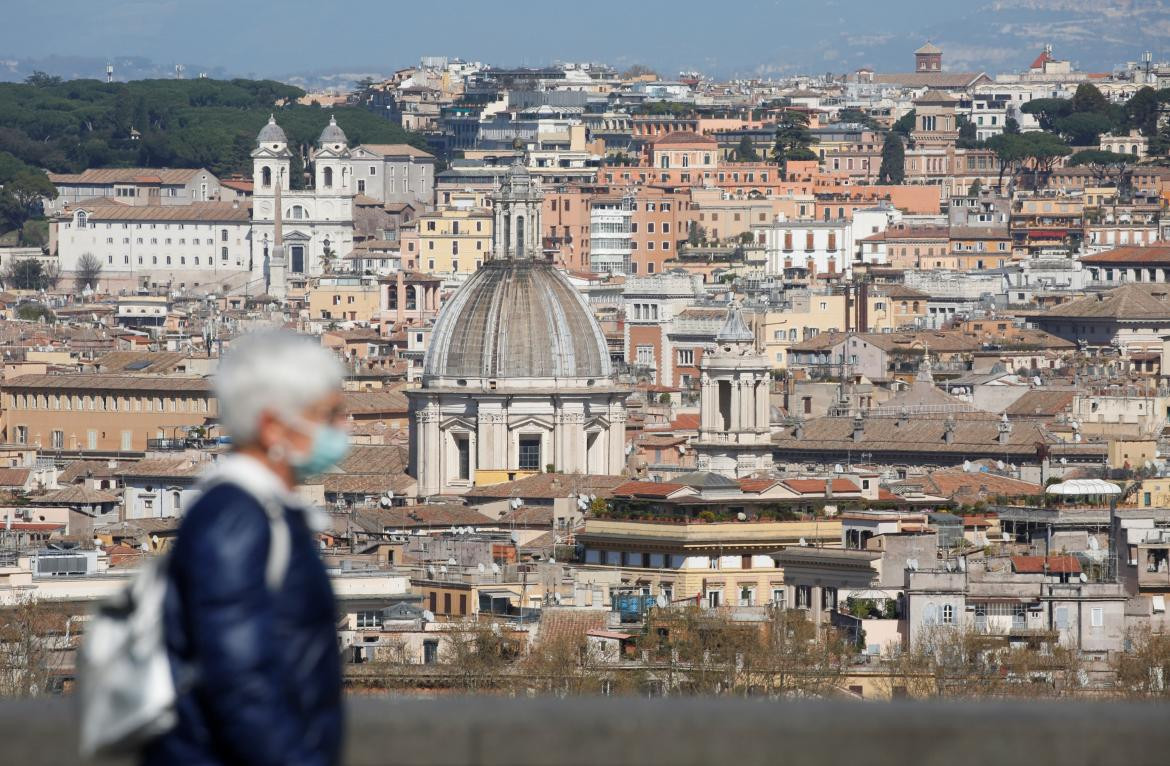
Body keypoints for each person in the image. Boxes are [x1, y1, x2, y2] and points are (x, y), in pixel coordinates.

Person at [144, 331, 349, 766]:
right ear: (274, 426)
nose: (343, 428)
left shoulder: (263, 512)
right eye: (328, 415)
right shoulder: (235, 519)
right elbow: (240, 684)